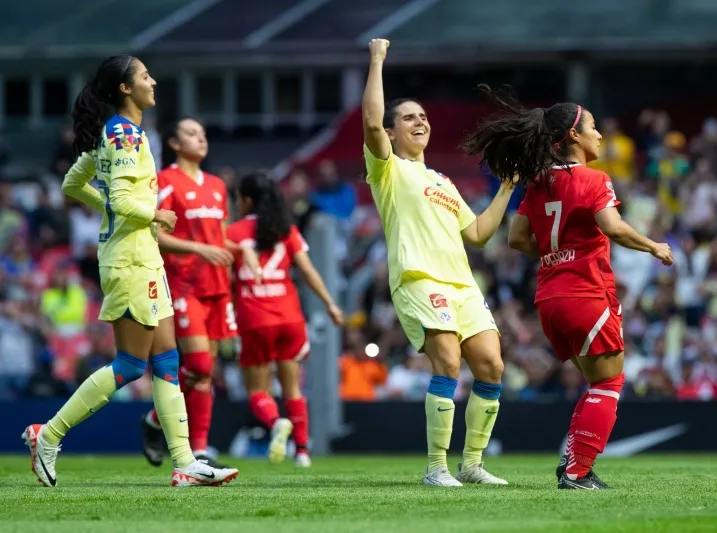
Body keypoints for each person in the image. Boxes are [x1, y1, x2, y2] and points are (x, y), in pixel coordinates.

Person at [23, 55, 238, 487]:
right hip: (129, 259)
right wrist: (155, 215)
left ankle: (185, 463)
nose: (153, 81)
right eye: (144, 76)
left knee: (167, 361)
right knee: (129, 364)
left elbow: (72, 184)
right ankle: (48, 434)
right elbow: (121, 200)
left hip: (142, 257)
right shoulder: (123, 132)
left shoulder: (124, 133)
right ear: (125, 88)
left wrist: (119, 212)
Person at [463, 86, 673, 489]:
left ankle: (574, 466)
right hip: (586, 292)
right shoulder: (595, 179)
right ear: (574, 136)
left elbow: (517, 239)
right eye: (593, 127)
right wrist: (652, 246)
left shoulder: (538, 184)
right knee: (610, 383)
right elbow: (611, 227)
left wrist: (557, 251)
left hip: (550, 298)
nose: (599, 135)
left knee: (597, 383)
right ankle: (577, 472)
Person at [363, 39, 515, 487]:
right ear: (391, 133)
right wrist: (377, 60)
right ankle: (436, 468)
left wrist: (506, 189)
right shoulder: (387, 169)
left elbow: (478, 234)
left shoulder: (443, 181)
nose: (420, 121)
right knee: (447, 360)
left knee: (491, 365)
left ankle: (471, 464)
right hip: (417, 277)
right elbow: (371, 120)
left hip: (461, 284)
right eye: (409, 117)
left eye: (423, 116)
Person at [139, 118, 247, 468]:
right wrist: (199, 249)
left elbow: (222, 237)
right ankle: (158, 420)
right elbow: (156, 234)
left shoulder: (217, 185)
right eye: (190, 133)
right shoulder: (167, 181)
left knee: (205, 373)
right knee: (198, 364)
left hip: (217, 287)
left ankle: (199, 448)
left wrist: (248, 252)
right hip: (184, 284)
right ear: (173, 142)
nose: (201, 139)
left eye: (203, 133)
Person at [226, 173, 344, 467]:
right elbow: (308, 271)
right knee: (293, 388)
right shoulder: (286, 230)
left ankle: (276, 423)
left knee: (257, 390)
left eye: (238, 198)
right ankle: (302, 451)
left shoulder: (232, 233)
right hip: (289, 317)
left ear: (247, 200)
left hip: (255, 318)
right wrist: (330, 304)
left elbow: (222, 276)